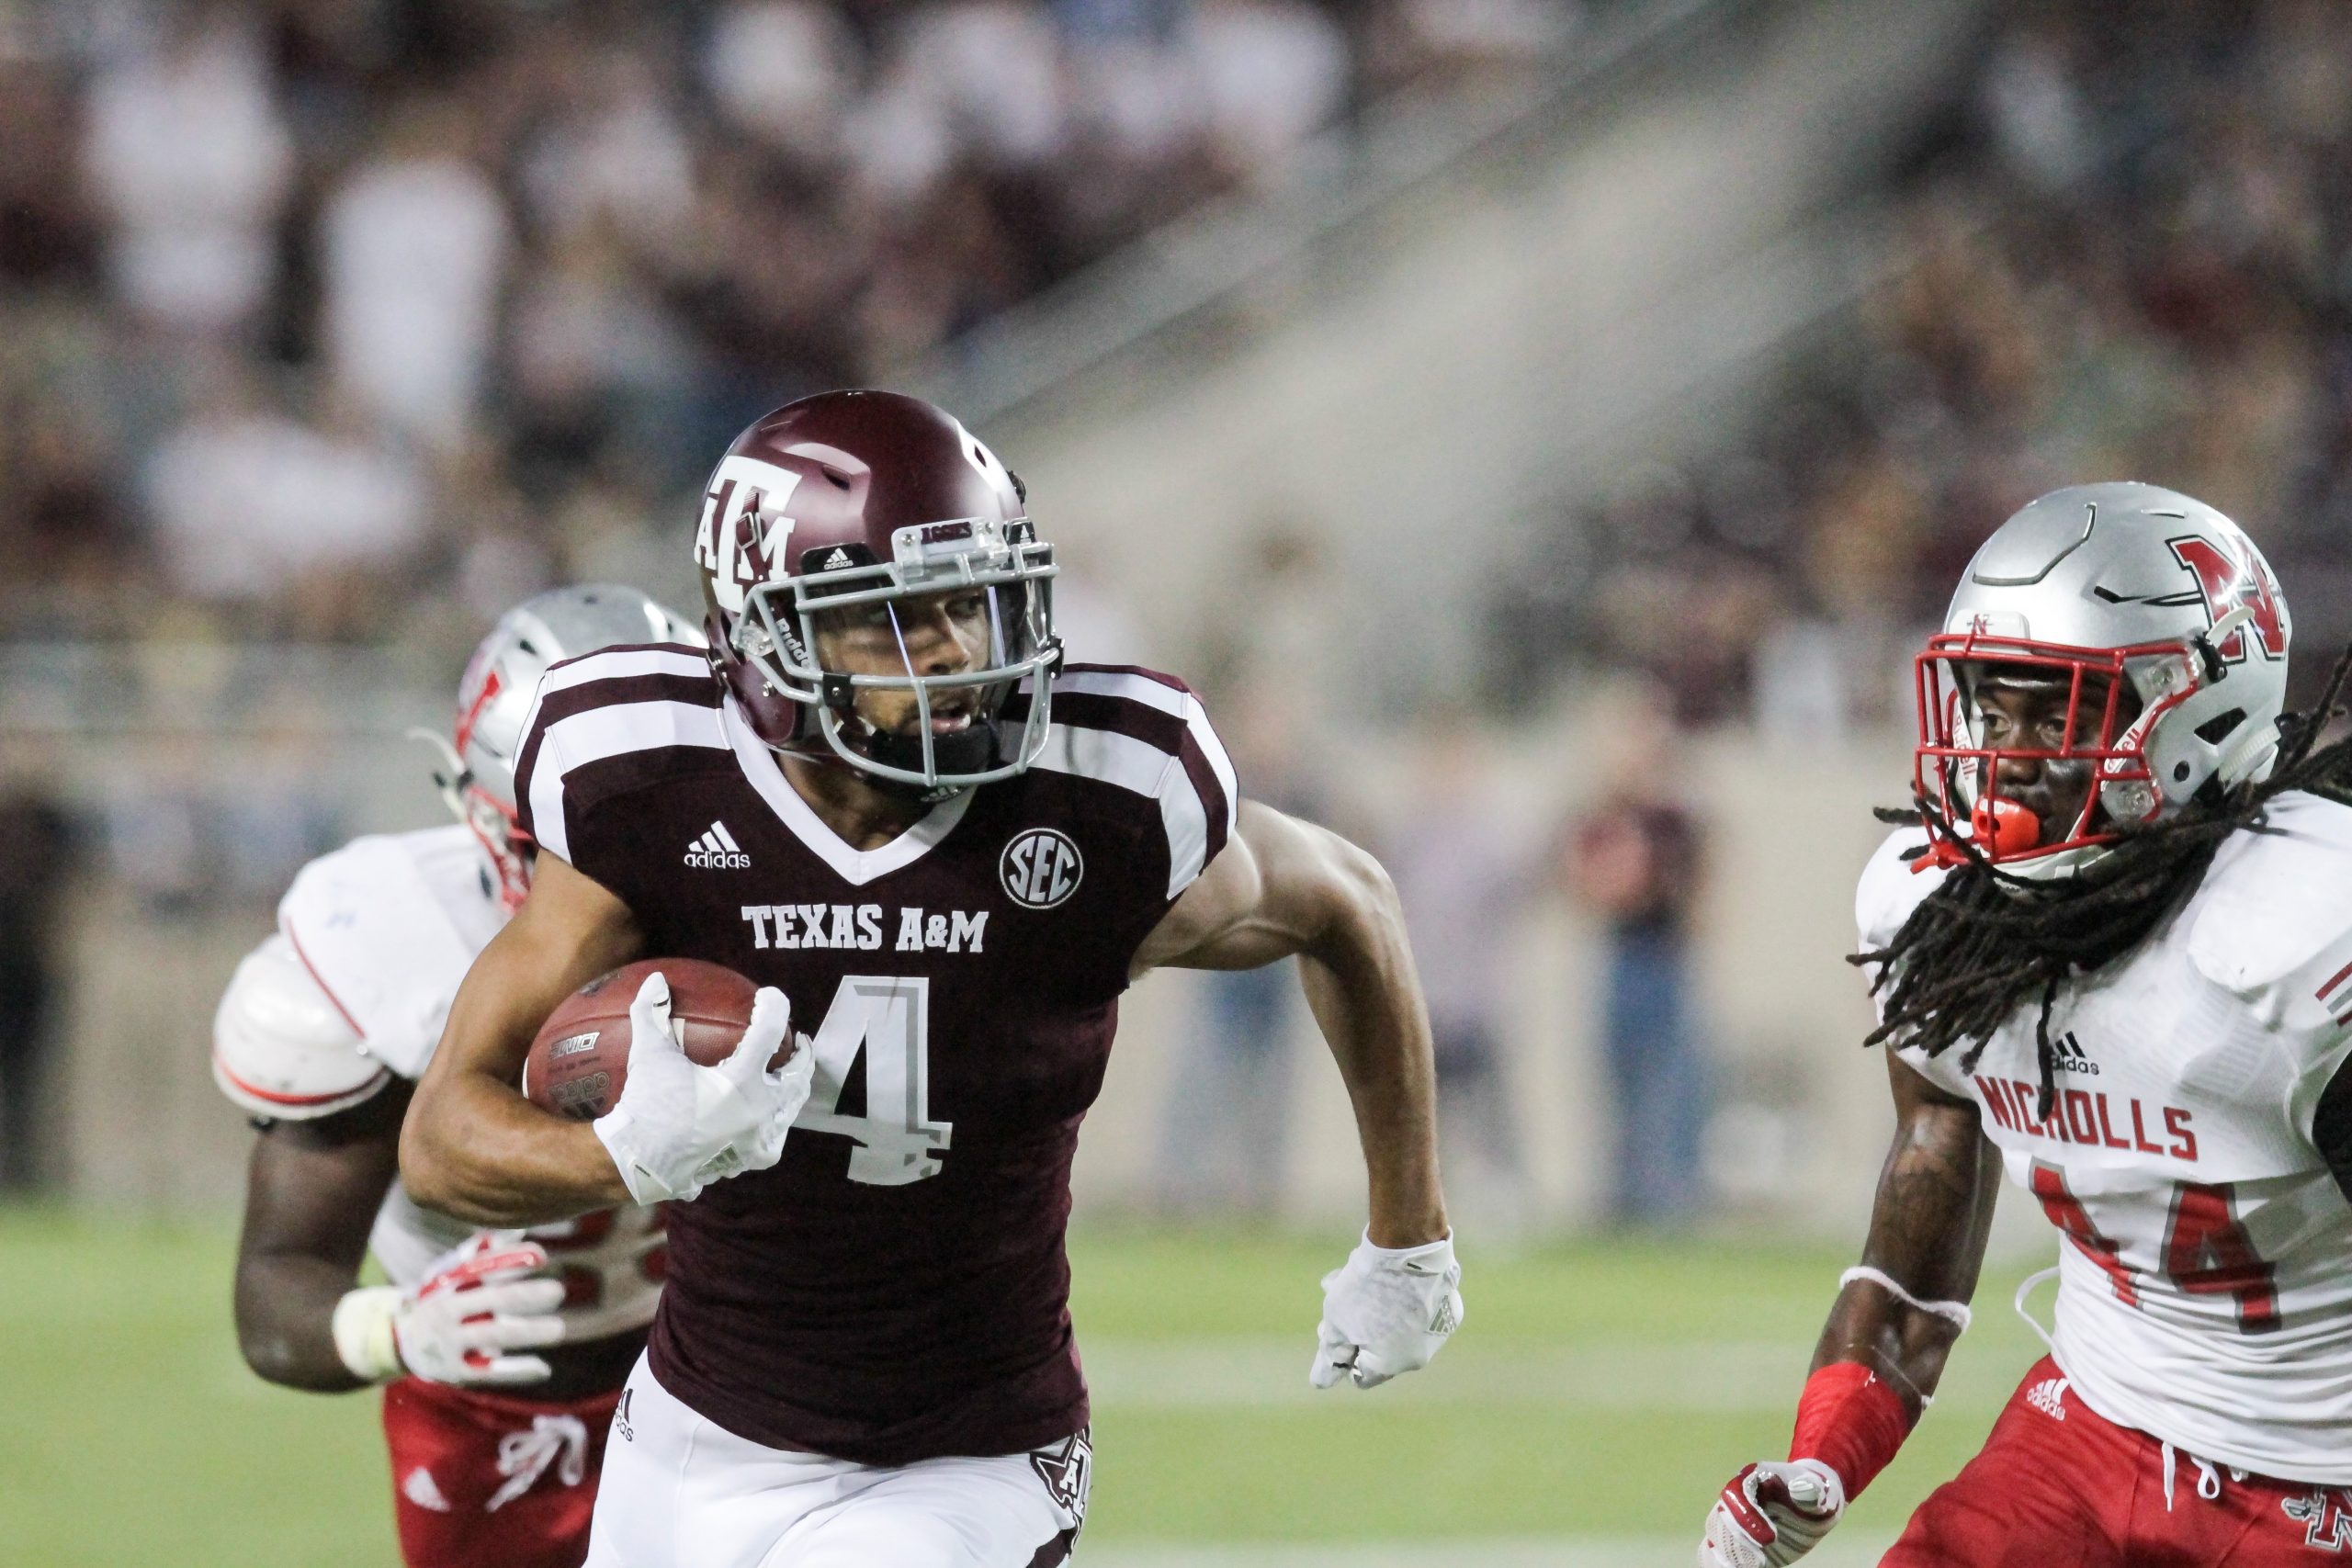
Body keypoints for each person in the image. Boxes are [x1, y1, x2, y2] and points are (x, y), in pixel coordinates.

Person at [398, 389, 1462, 1568]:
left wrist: (1407, 1241)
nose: (959, 653)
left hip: (969, 1454)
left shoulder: (1099, 799)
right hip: (697, 1434)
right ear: (767, 641)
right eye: (891, 619)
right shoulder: (651, 781)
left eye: (971, 601)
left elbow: (1349, 899)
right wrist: (622, 1156)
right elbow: (442, 1136)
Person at [1700, 481, 2352, 1567]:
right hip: (2091, 1425)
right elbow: (1931, 1168)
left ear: (2198, 711)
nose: (2004, 757)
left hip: (2315, 1481)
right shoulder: (1944, 922)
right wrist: (1827, 1455)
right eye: (1989, 711)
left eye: (2057, 713)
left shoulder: (2297, 939)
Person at [212, 584, 703, 1568]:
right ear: (481, 811)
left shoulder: (774, 904)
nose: (610, 873)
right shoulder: (391, 944)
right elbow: (278, 1291)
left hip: (735, 1374)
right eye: (564, 837)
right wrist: (400, 1327)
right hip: (499, 1409)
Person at [1565, 687, 1708, 1225]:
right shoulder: (1604, 814)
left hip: (1663, 958)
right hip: (1621, 955)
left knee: (1668, 1089)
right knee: (1618, 1085)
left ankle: (1668, 1205)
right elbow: (1581, 885)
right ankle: (1621, 1202)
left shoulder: (1675, 818)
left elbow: (1697, 893)